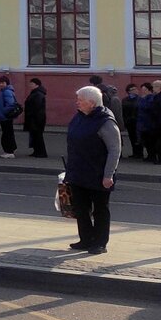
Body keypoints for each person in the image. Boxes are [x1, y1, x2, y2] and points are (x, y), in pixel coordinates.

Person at [63, 86, 121, 255]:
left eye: (80, 100)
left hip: (99, 174)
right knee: (81, 209)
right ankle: (86, 239)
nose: (77, 103)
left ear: (92, 102)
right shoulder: (80, 117)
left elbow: (115, 150)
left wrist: (108, 174)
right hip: (78, 172)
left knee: (100, 210)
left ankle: (100, 242)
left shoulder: (106, 122)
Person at [0, 75, 19, 159]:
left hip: (5, 116)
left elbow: (11, 104)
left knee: (6, 134)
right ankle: (11, 149)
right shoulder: (4, 91)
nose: (1, 84)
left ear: (6, 83)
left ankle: (9, 151)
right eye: (0, 83)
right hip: (5, 116)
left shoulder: (6, 92)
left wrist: (3, 111)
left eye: (3, 83)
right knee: (8, 133)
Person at [23, 77, 47, 158]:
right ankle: (36, 151)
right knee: (35, 135)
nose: (30, 85)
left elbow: (37, 107)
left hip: (36, 119)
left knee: (38, 136)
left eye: (32, 84)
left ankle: (41, 152)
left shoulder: (38, 94)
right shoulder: (35, 93)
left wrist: (31, 114)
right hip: (34, 118)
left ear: (36, 85)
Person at [138, 82, 157, 162]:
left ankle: (152, 156)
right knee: (146, 141)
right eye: (142, 89)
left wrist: (142, 100)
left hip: (148, 123)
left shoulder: (150, 98)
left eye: (145, 89)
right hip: (143, 122)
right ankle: (150, 155)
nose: (143, 91)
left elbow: (147, 107)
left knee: (150, 141)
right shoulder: (144, 98)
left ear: (149, 90)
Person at [122, 84, 142, 159]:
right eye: (133, 89)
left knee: (138, 137)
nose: (135, 90)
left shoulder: (139, 99)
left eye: (136, 89)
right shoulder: (125, 100)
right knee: (132, 137)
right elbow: (123, 110)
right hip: (129, 121)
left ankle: (139, 153)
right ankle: (134, 152)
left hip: (137, 121)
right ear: (129, 91)